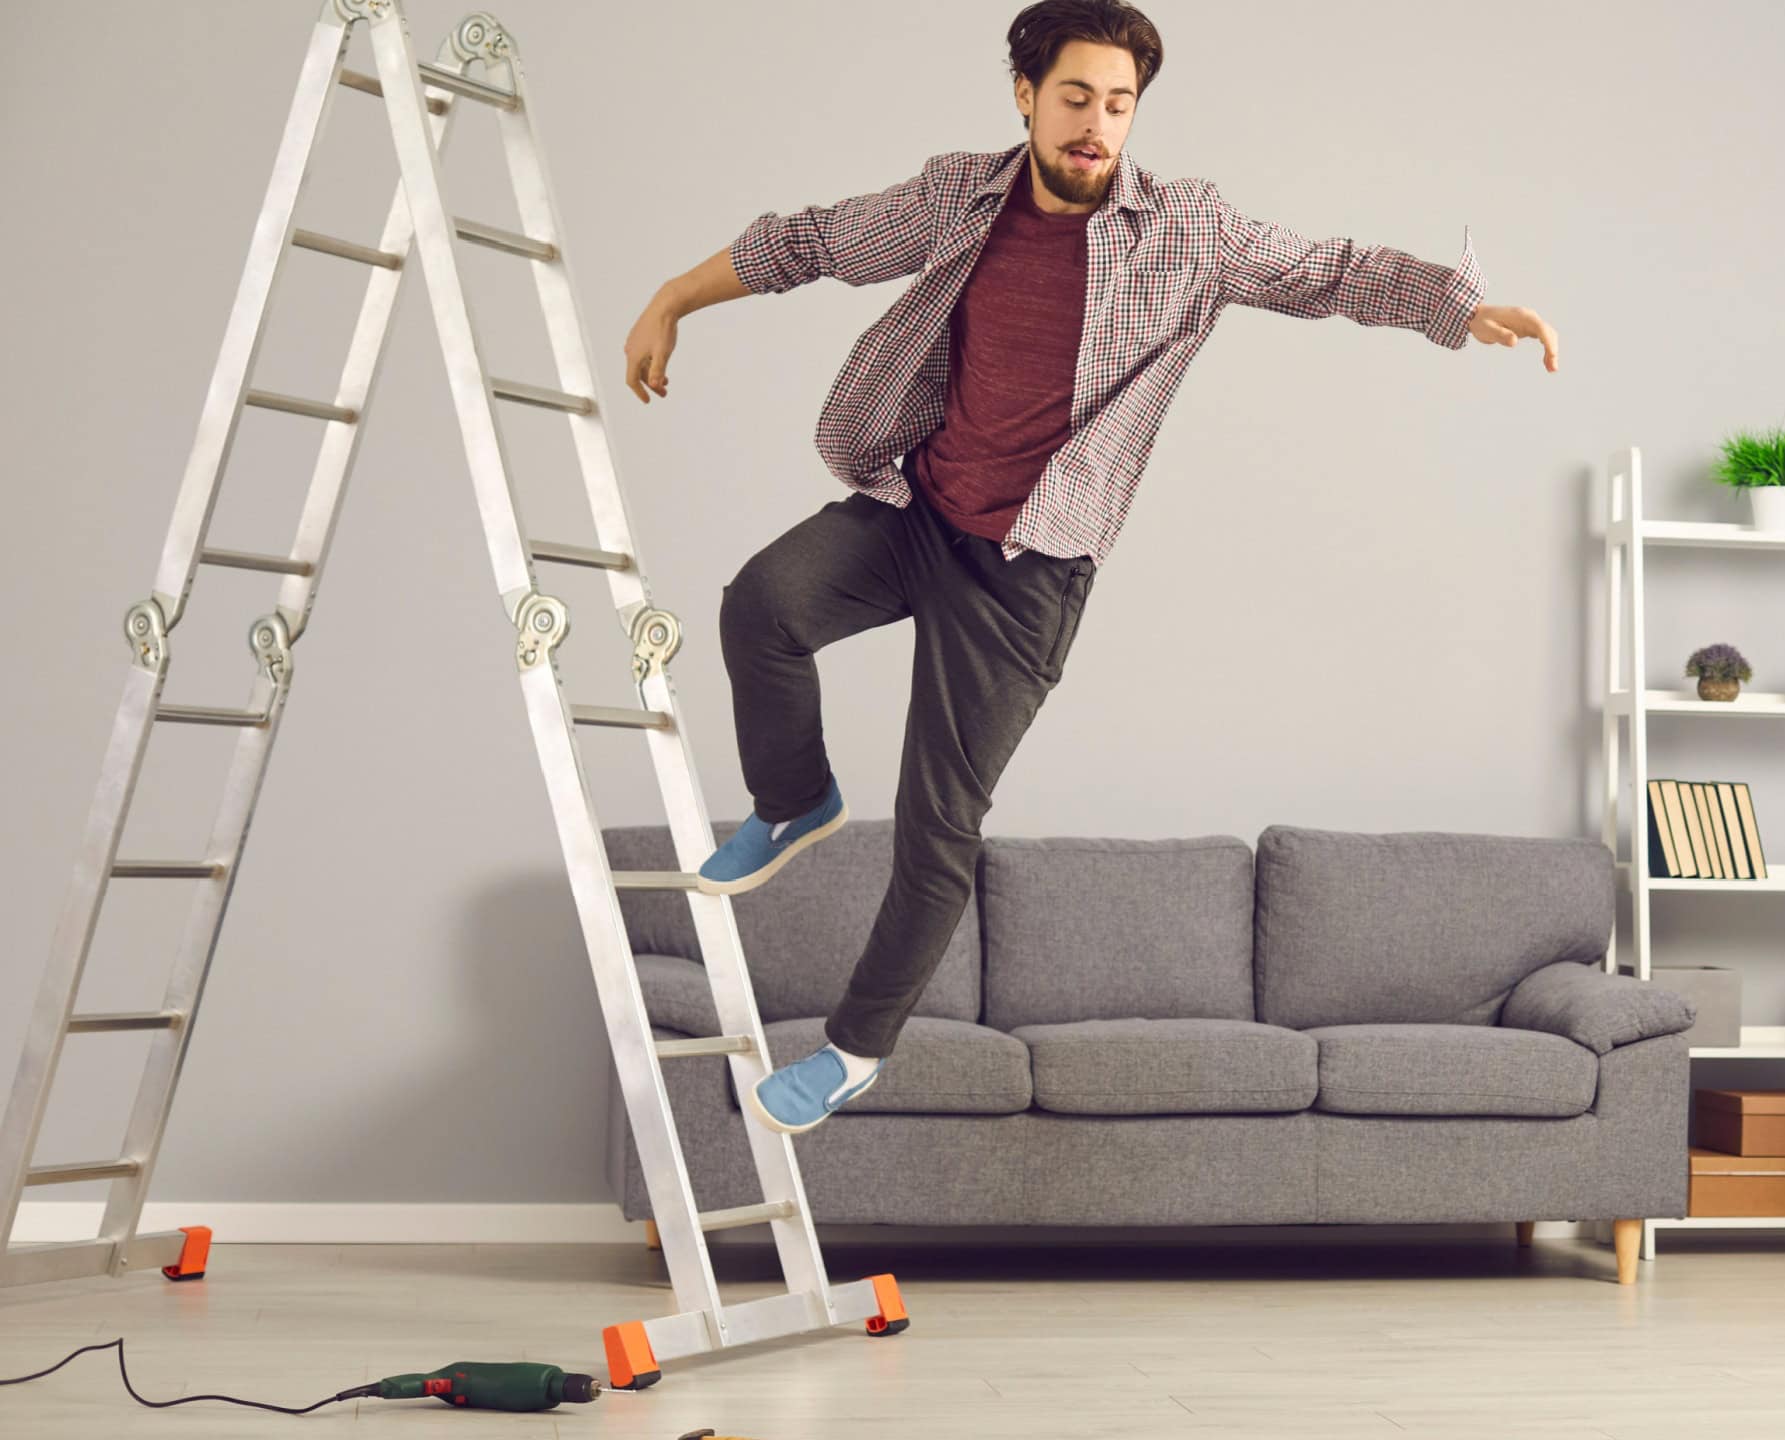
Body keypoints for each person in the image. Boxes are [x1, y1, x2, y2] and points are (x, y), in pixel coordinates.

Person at [619, 0, 1563, 1135]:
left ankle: (853, 1051)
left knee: (937, 830)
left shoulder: (1186, 229)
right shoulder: (957, 195)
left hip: (1028, 569)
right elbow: (809, 242)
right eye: (1076, 99)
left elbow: (1330, 271)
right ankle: (794, 799)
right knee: (762, 604)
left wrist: (1457, 309)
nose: (1097, 127)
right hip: (917, 510)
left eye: (1119, 105)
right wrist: (673, 296)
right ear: (1025, 95)